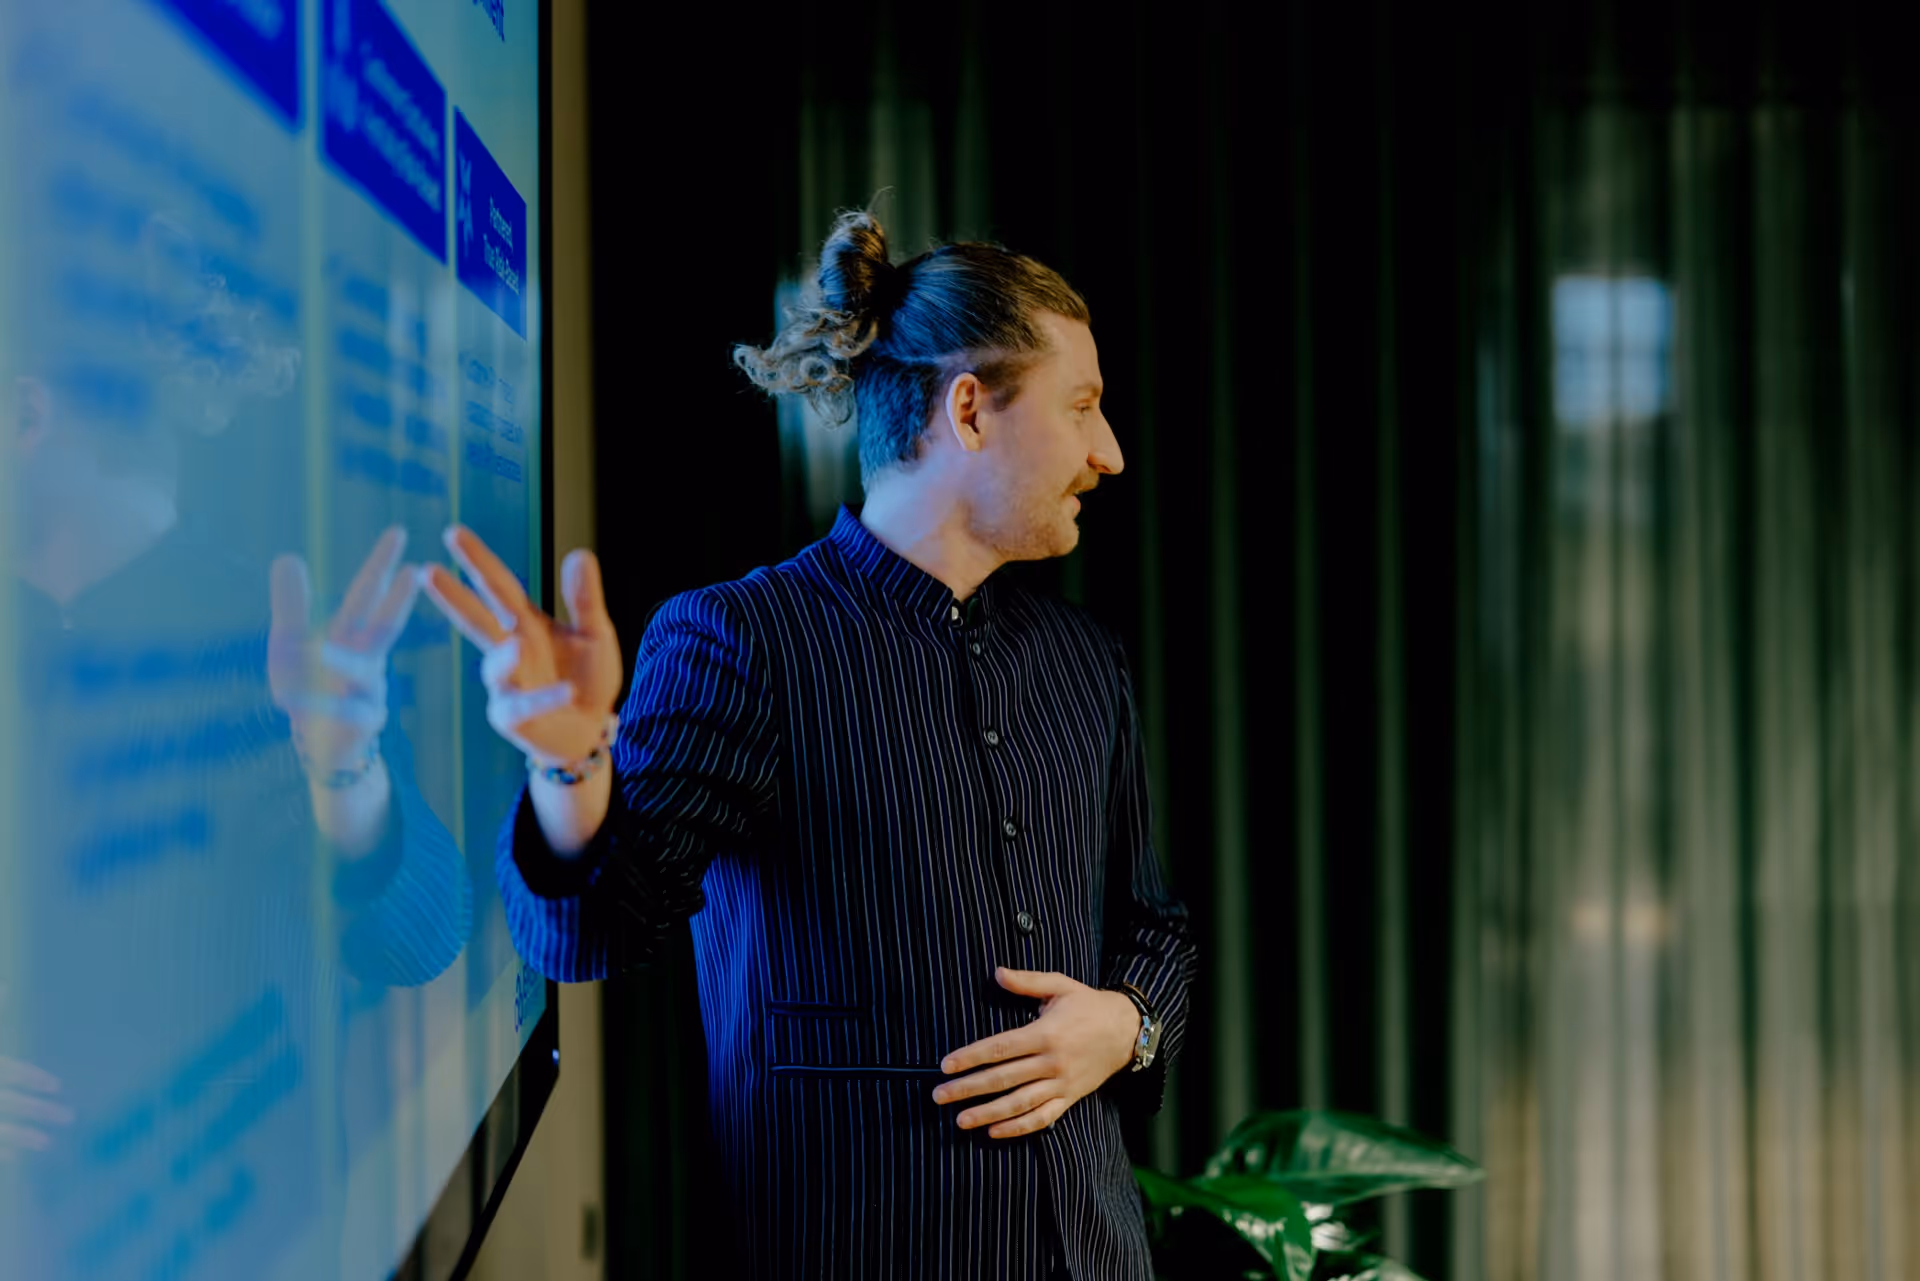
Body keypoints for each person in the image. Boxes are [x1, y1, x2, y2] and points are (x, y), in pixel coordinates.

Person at [422, 210, 1196, 1280]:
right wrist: (571, 766)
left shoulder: (1087, 662)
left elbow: (1158, 929)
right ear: (968, 410)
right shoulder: (741, 640)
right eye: (1083, 407)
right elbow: (590, 934)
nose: (1108, 453)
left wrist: (1128, 1022)